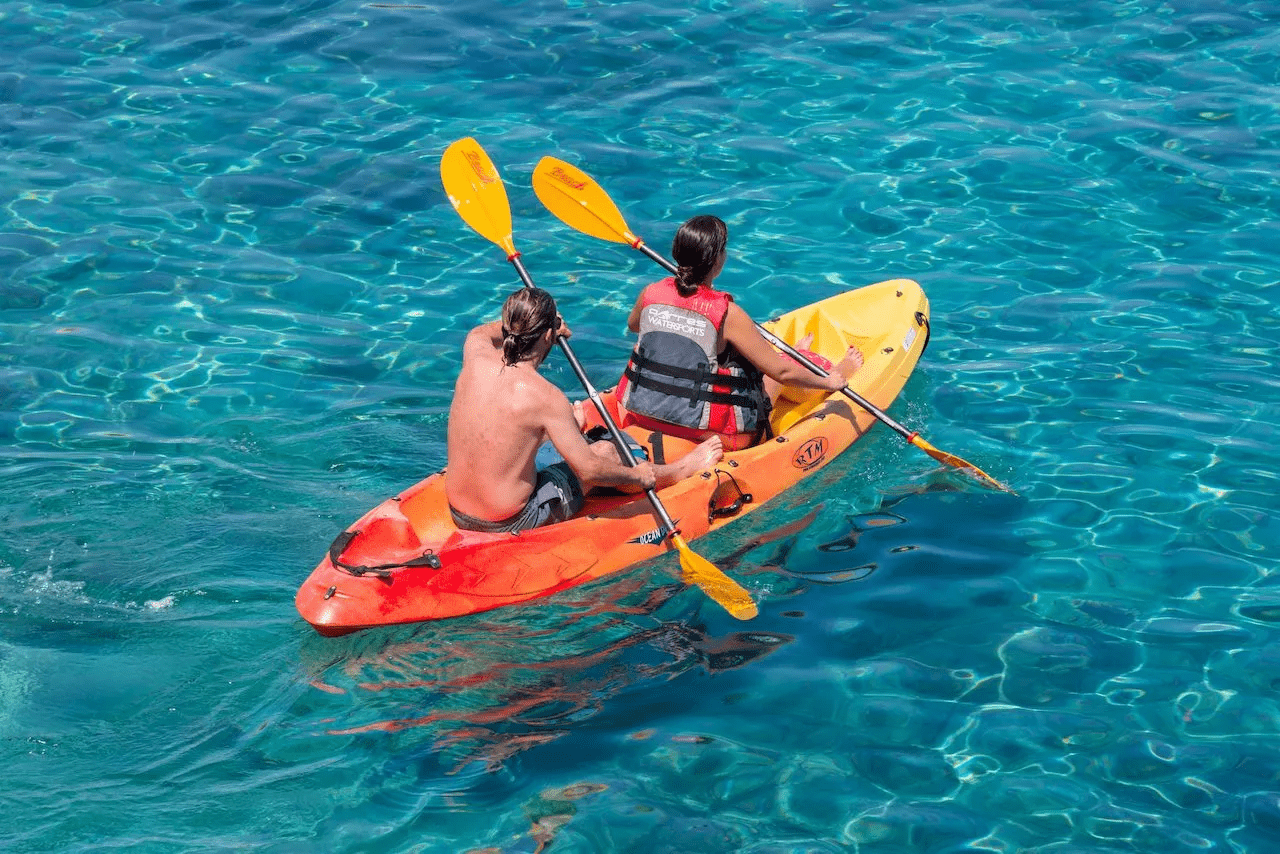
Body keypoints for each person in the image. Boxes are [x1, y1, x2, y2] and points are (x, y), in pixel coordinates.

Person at [446, 286, 723, 534]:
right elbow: (590, 471)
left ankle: (566, 433)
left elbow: (480, 331)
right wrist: (639, 475)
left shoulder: (476, 354)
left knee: (550, 435)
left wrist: (528, 323)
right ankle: (679, 471)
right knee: (607, 453)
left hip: (457, 510)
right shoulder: (545, 397)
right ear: (547, 336)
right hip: (510, 520)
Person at [616, 215, 863, 451]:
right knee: (783, 366)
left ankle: (799, 355)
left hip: (642, 412)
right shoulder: (728, 314)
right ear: (717, 261)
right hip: (709, 430)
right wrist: (828, 381)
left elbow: (635, 325)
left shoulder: (650, 294)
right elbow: (781, 372)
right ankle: (836, 371)